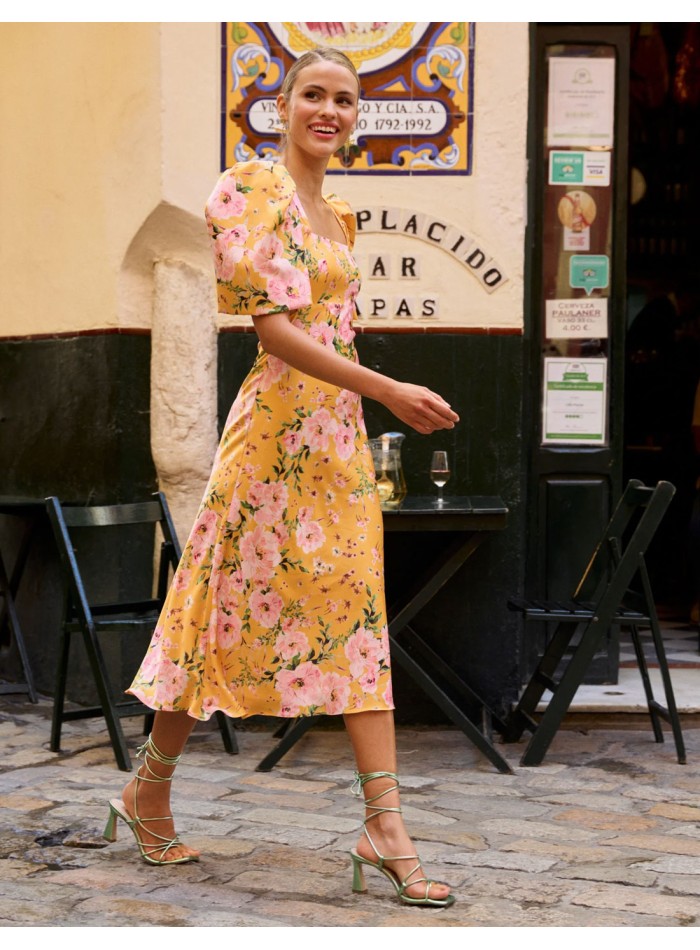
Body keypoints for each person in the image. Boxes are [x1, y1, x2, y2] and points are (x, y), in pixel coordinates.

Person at [104, 47, 458, 908]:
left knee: (358, 615)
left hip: (336, 442)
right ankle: (149, 788)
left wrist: (367, 407)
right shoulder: (249, 189)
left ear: (357, 116)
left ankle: (385, 824)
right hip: (268, 439)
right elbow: (272, 332)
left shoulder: (341, 217)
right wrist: (389, 389)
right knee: (213, 608)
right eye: (314, 95)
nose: (329, 111)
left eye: (345, 99)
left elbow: (335, 334)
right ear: (283, 104)